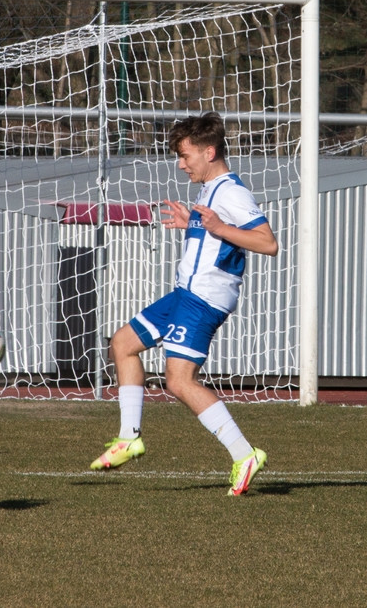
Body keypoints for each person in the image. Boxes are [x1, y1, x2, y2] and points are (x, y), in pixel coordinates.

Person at [88, 112, 278, 496]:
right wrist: (191, 220)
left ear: (209, 152)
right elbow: (213, 230)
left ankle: (245, 454)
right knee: (122, 344)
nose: (180, 163)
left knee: (179, 380)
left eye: (185, 155)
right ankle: (128, 438)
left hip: (204, 300)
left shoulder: (231, 192)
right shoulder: (208, 191)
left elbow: (267, 242)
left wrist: (218, 227)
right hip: (184, 294)